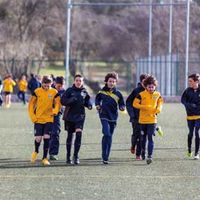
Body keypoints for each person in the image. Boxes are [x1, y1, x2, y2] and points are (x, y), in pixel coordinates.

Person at [28, 76, 61, 166]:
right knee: (38, 138)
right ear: (42, 83)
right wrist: (32, 116)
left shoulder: (54, 92)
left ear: (51, 84)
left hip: (49, 119)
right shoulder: (37, 91)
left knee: (47, 137)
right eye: (44, 85)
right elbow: (31, 105)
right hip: (38, 119)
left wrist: (55, 111)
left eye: (48, 85)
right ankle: (36, 151)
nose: (46, 87)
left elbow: (58, 103)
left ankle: (45, 158)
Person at [61, 74, 92, 165]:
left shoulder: (84, 91)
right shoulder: (69, 90)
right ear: (74, 81)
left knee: (79, 134)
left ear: (82, 82)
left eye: (80, 81)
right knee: (70, 136)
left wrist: (89, 105)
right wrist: (71, 100)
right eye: (77, 80)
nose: (78, 82)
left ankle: (76, 156)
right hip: (69, 116)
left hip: (80, 116)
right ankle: (68, 156)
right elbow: (62, 101)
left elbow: (87, 101)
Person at [95, 72, 125, 164]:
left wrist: (122, 107)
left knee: (109, 136)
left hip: (113, 117)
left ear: (115, 83)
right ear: (106, 82)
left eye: (113, 81)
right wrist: (97, 105)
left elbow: (122, 103)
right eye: (110, 81)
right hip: (103, 115)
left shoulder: (119, 94)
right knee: (106, 133)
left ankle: (106, 157)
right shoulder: (101, 91)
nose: (111, 83)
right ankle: (104, 154)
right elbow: (97, 99)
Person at [133, 75, 163, 164]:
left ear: (155, 86)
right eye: (149, 87)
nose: (151, 88)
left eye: (152, 87)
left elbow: (160, 102)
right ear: (146, 86)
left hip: (152, 120)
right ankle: (143, 152)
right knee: (143, 138)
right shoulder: (141, 95)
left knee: (150, 137)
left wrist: (159, 109)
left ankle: (150, 156)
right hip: (142, 120)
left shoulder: (157, 94)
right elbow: (135, 104)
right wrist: (144, 107)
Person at [126, 74, 149, 160]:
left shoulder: (151, 91)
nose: (146, 84)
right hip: (135, 118)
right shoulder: (136, 91)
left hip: (146, 118)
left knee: (142, 136)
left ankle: (139, 154)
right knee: (136, 135)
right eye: (144, 82)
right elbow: (128, 103)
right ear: (141, 82)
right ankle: (133, 145)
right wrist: (132, 114)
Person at [181, 73, 200, 160]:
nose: (189, 83)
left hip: (199, 116)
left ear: (196, 81)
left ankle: (196, 153)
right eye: (189, 81)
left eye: (191, 81)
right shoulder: (187, 90)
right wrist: (189, 105)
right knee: (190, 133)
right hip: (190, 117)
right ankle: (189, 150)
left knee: (197, 133)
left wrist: (197, 107)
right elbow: (183, 100)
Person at [49, 76, 65, 160]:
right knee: (47, 133)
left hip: (57, 114)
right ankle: (44, 151)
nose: (60, 88)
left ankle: (53, 153)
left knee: (56, 132)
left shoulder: (64, 92)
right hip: (47, 114)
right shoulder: (48, 90)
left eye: (61, 86)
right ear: (54, 83)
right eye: (58, 86)